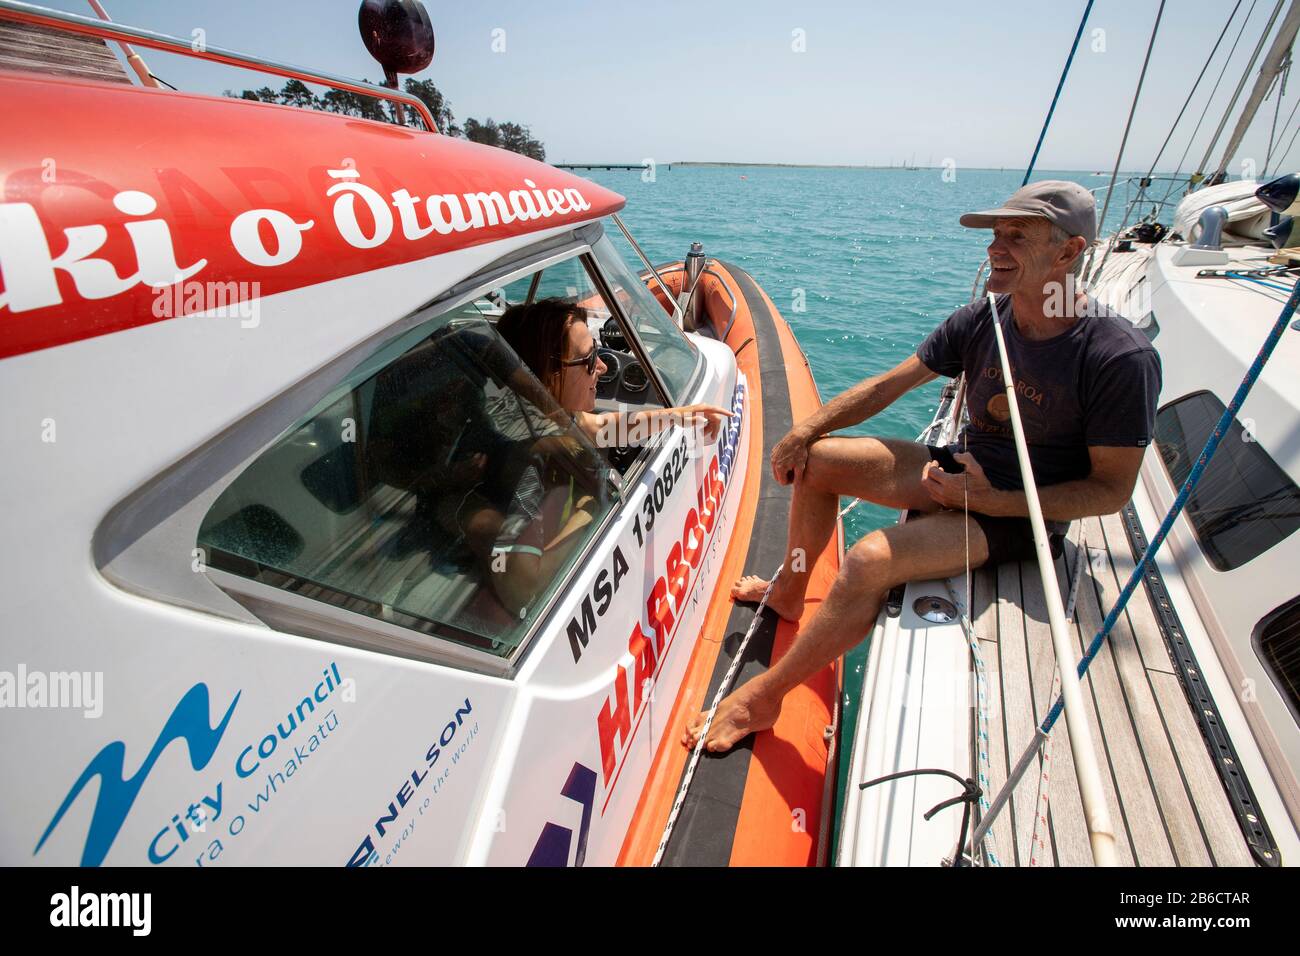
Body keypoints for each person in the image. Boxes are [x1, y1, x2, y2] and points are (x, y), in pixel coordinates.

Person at [683, 180, 1162, 753]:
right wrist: (806, 431)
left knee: (867, 560)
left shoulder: (1118, 357)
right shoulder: (985, 318)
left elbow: (1109, 492)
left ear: (1069, 253)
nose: (995, 250)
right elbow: (892, 383)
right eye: (995, 236)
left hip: (1019, 514)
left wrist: (992, 502)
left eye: (1016, 237)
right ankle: (790, 588)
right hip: (960, 473)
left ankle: (763, 699)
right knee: (821, 461)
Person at [482, 297, 733, 614]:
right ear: (548, 374)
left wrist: (679, 415)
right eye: (588, 360)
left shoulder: (549, 413)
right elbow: (520, 584)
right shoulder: (534, 457)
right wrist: (591, 509)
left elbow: (601, 426)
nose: (601, 366)